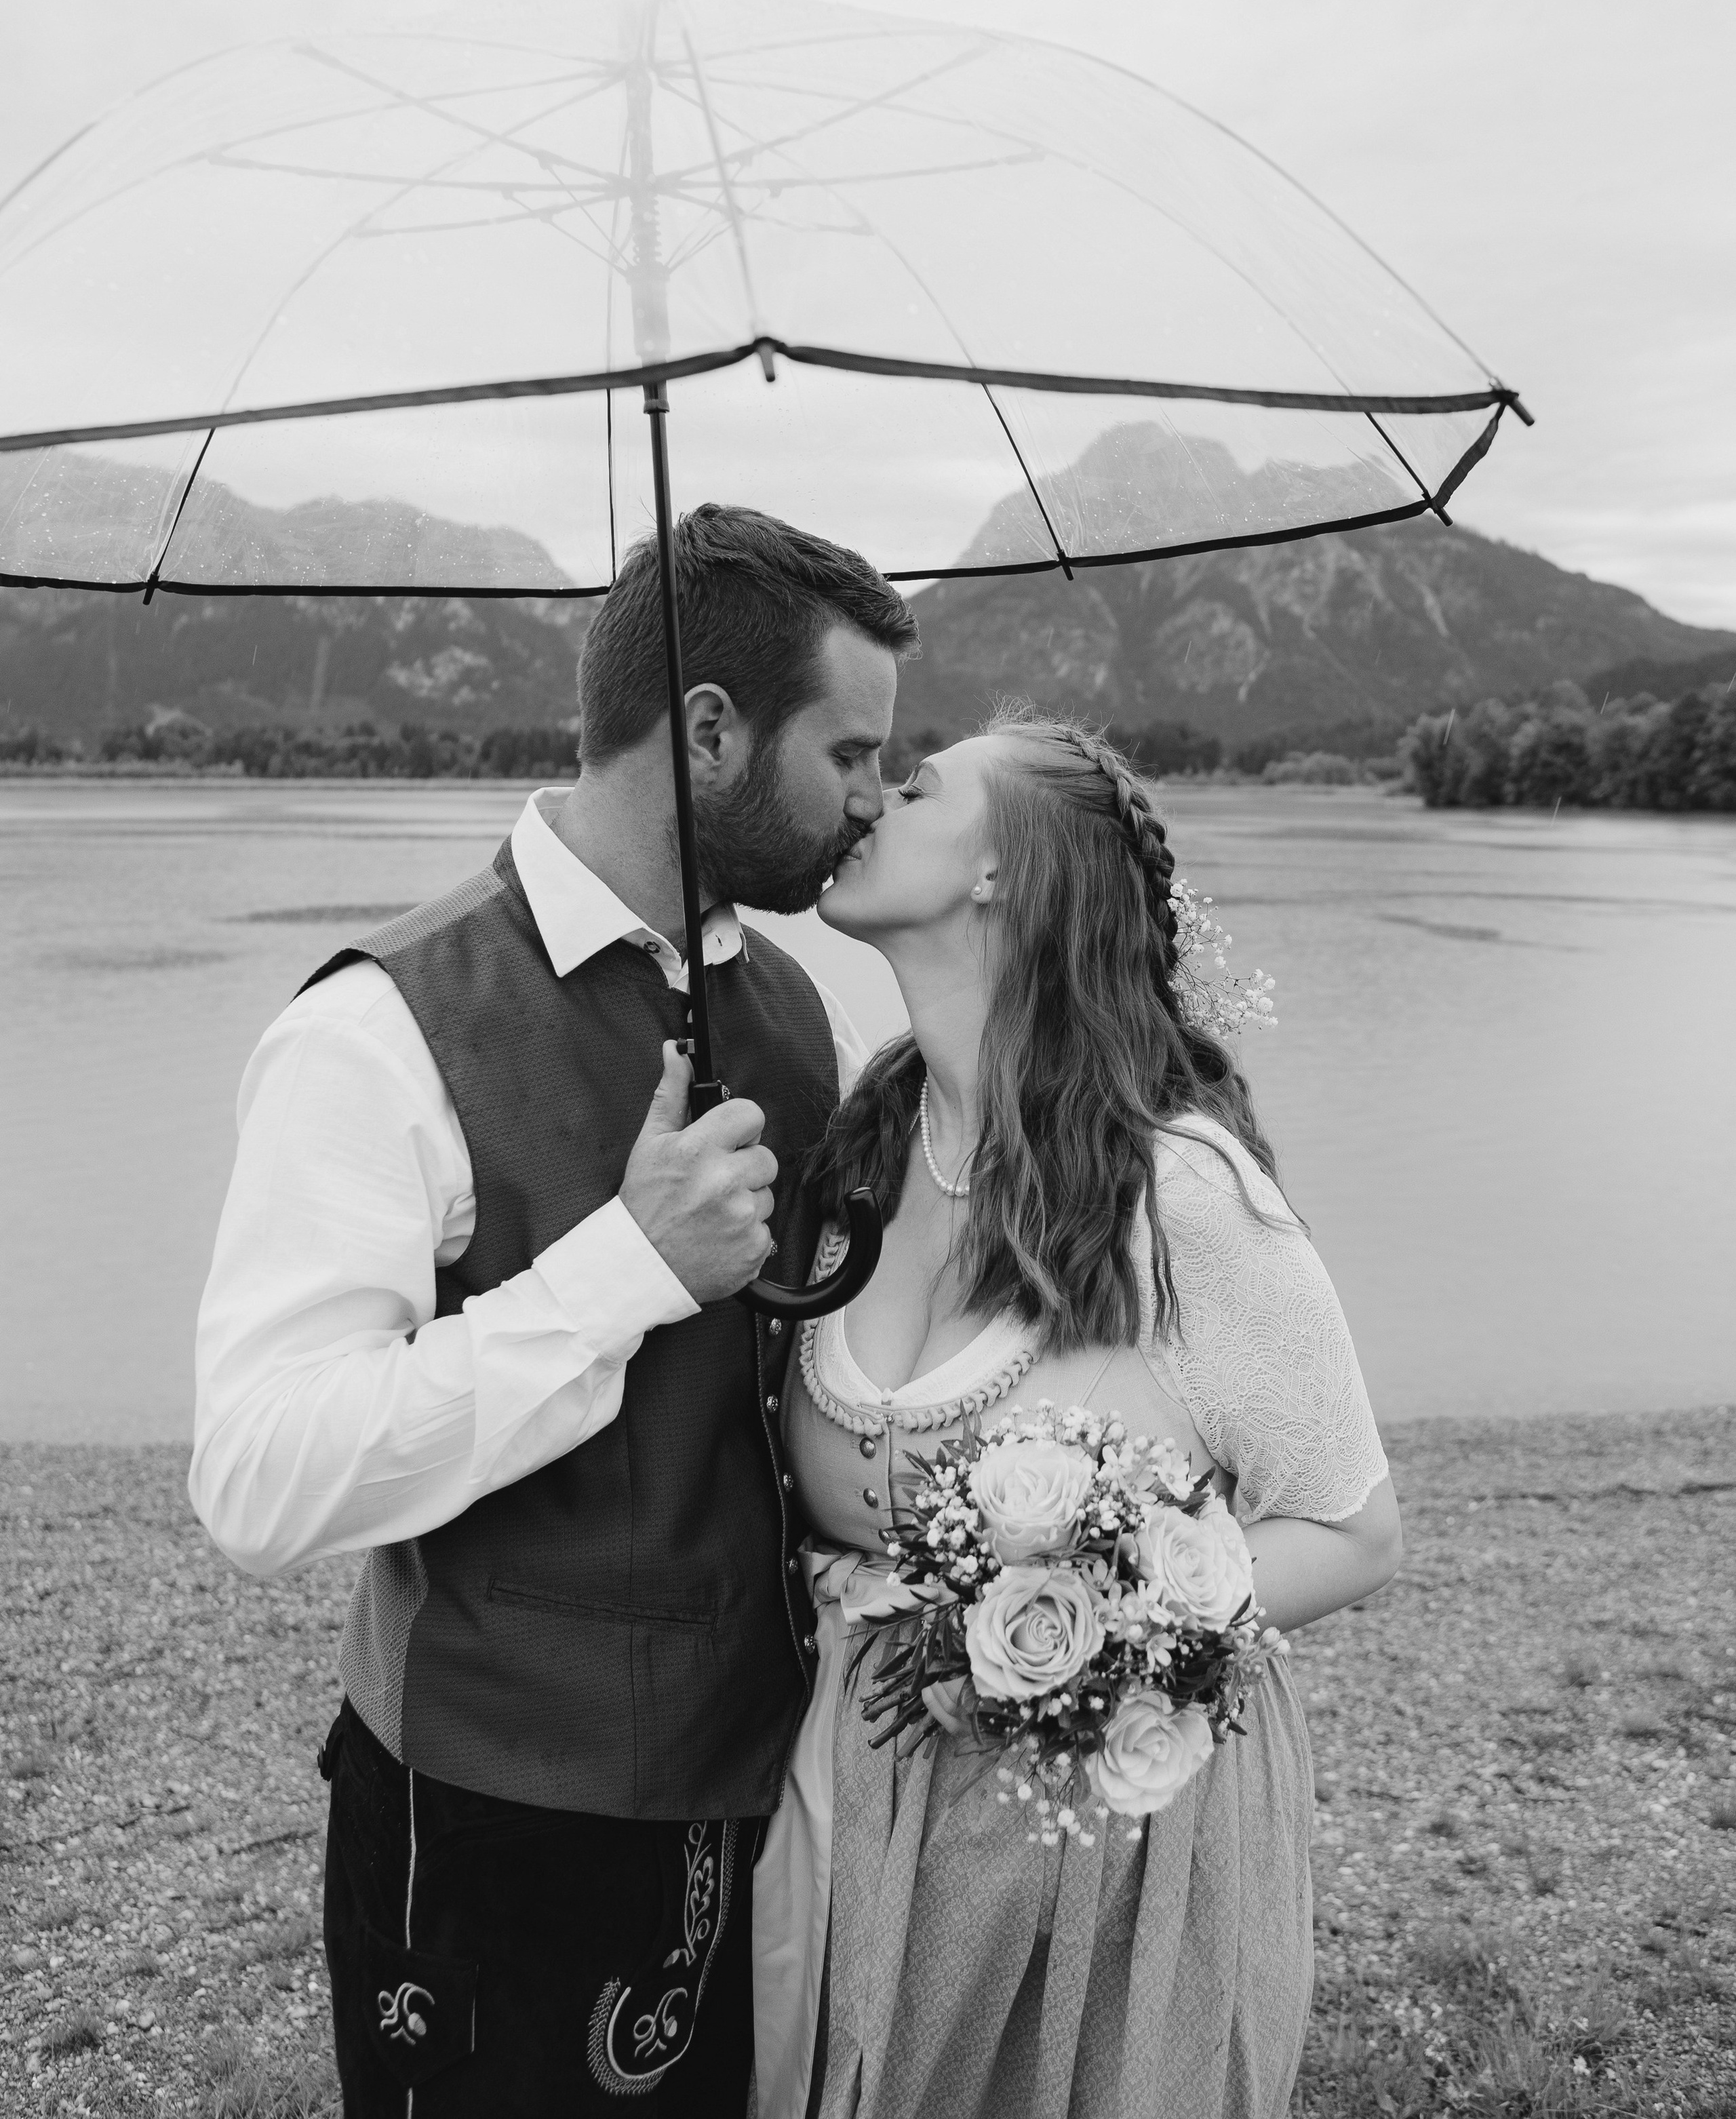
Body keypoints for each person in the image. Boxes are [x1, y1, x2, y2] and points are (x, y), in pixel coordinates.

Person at [187, 504, 918, 2117]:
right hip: (486, 1826)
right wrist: (623, 1271)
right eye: (851, 754)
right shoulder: (377, 1030)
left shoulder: (793, 1014)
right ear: (708, 733)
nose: (876, 802)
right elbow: (258, 1477)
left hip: (766, 1794)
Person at [753, 709, 1403, 2119]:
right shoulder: (853, 1159)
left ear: (1006, 872)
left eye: (914, 784)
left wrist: (1096, 1626)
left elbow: (1351, 1530)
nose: (867, 797)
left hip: (1099, 1860)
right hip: (837, 1806)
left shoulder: (1179, 1198)